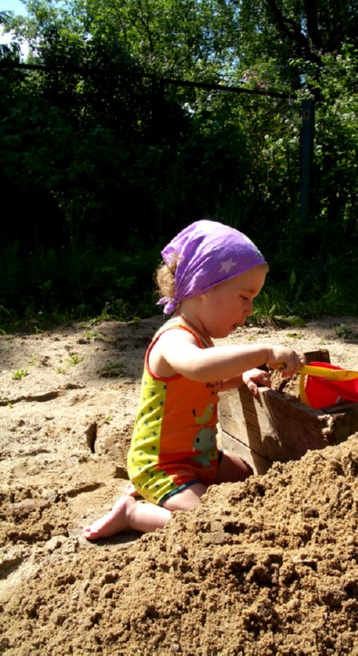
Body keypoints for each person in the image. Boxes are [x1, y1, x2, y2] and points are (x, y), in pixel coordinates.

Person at [84, 220, 305, 539]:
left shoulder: (201, 338)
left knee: (243, 473)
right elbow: (201, 368)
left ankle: (156, 494)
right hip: (162, 464)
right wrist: (265, 351)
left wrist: (240, 377)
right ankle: (134, 513)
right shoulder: (173, 339)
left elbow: (208, 382)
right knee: (206, 525)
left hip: (199, 456)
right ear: (204, 288)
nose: (250, 309)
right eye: (244, 297)